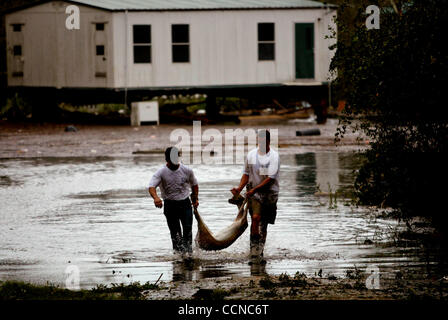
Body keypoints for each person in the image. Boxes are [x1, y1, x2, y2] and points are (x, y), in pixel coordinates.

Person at [231, 130, 280, 263]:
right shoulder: (251, 155)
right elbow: (246, 174)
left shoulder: (274, 156)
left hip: (270, 194)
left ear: (269, 141)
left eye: (264, 141)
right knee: (256, 218)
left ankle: (260, 250)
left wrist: (255, 189)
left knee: (263, 225)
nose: (261, 143)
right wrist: (239, 189)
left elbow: (270, 178)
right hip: (254, 194)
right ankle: (253, 250)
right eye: (259, 140)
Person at [148, 147, 199, 255]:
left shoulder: (187, 170)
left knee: (187, 230)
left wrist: (195, 198)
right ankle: (178, 256)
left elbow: (194, 184)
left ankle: (189, 255)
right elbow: (151, 187)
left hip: (185, 203)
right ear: (167, 159)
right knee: (175, 233)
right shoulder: (161, 172)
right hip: (170, 205)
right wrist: (156, 198)